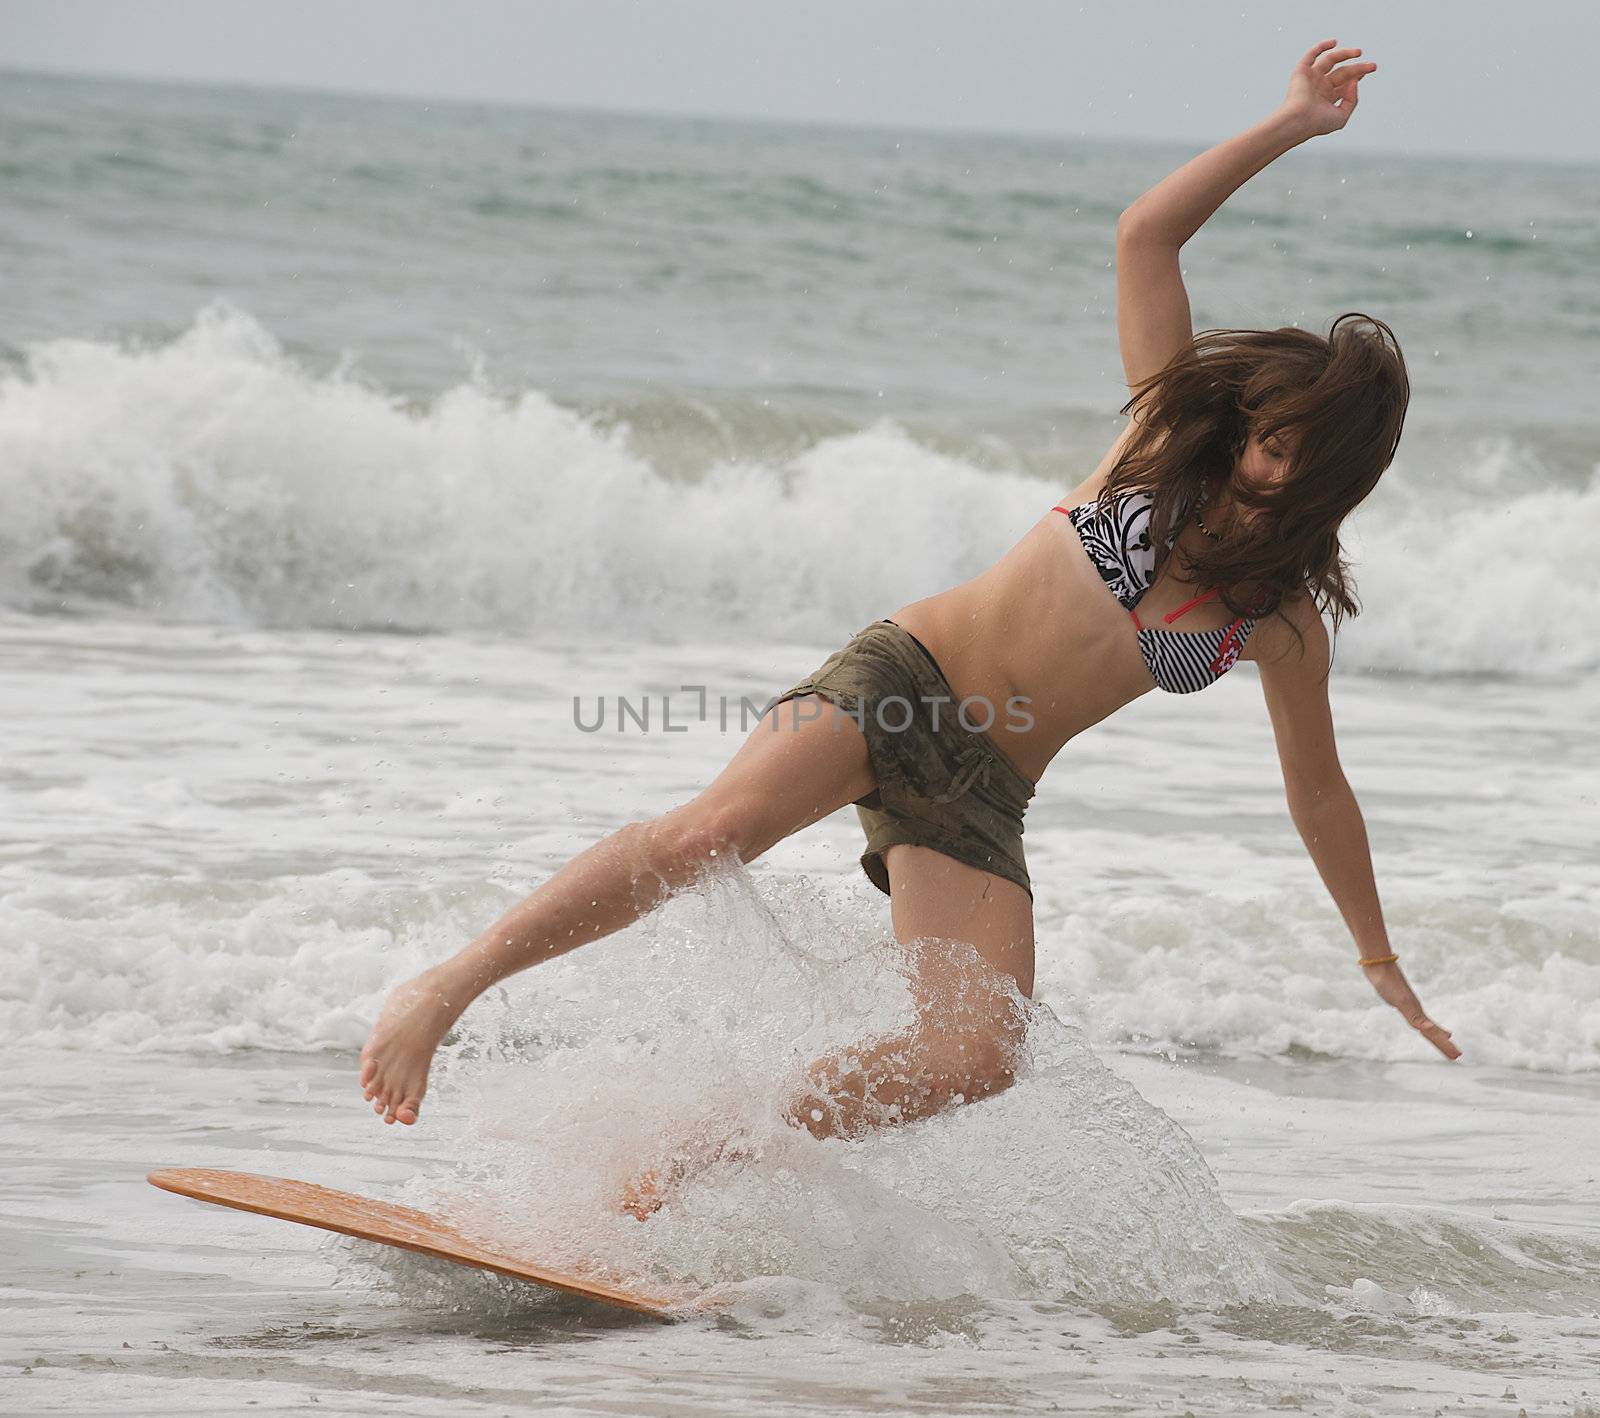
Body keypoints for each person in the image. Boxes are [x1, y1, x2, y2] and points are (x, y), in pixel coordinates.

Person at [359, 39, 1460, 1208]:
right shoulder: (1157, 446)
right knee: (705, 838)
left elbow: (1320, 791)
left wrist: (1377, 955)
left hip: (987, 789)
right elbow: (1146, 234)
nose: (1269, 470)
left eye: (1300, 462)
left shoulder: (1280, 618)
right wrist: (1290, 124)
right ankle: (447, 985)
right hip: (906, 679)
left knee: (977, 1058)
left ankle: (680, 1161)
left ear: (1336, 482)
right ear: (1246, 420)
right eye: (1268, 439)